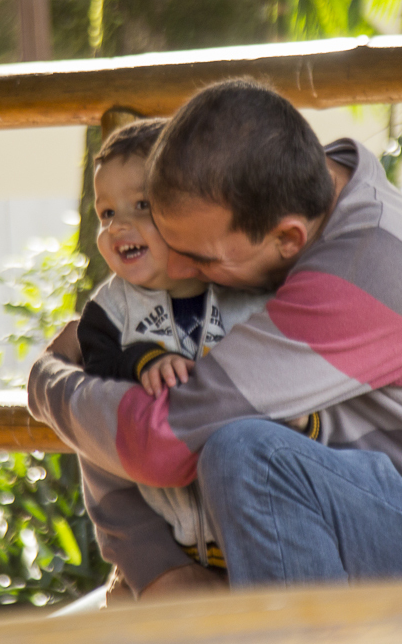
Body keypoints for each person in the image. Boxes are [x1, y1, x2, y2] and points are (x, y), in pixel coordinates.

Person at [28, 79, 402, 599]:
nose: (181, 267)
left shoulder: (372, 271)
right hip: (371, 515)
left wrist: (49, 380)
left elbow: (158, 439)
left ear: (287, 238)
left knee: (247, 454)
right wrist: (156, 566)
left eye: (203, 258)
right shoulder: (284, 189)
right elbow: (120, 424)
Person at [76, 119, 299, 585]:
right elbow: (96, 370)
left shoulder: (248, 289)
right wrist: (143, 360)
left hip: (266, 530)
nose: (120, 226)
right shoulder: (109, 312)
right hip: (175, 543)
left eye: (141, 205)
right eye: (107, 213)